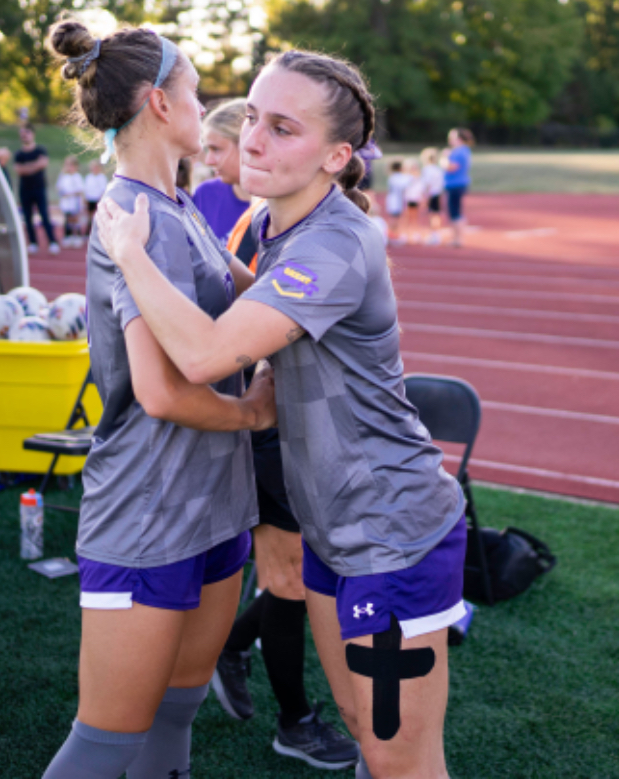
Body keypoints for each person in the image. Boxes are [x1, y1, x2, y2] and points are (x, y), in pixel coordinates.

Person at [96, 48, 467, 779]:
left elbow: (204, 357)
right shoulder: (280, 224)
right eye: (254, 118)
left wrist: (129, 254)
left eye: (283, 128)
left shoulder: (331, 243)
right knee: (368, 729)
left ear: (335, 156)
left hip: (390, 529)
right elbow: (244, 298)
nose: (255, 140)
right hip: (334, 528)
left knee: (399, 756)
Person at [41, 20, 276, 779]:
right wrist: (250, 412)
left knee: (177, 710)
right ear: (158, 103)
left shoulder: (179, 209)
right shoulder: (130, 219)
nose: (205, 108)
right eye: (196, 93)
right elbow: (160, 390)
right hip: (147, 512)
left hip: (215, 503)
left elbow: (262, 300)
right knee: (105, 741)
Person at [197, 97, 360, 770]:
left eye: (218, 150)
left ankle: (232, 648)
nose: (211, 165)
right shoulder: (253, 224)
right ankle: (293, 718)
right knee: (289, 577)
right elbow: (233, 339)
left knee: (296, 574)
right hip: (277, 425)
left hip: (303, 423)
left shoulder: (292, 224)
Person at [192, 99, 253, 246]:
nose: (209, 161)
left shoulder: (277, 204)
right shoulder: (206, 195)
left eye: (216, 149)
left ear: (247, 143)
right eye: (207, 150)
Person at [15, 125, 60, 255]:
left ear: (33, 134)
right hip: (25, 190)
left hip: (39, 188)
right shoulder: (19, 154)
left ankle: (52, 242)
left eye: (27, 132)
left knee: (44, 215)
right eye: (22, 133)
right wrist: (34, 166)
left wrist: (27, 167)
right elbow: (18, 169)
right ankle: (33, 243)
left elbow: (43, 163)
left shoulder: (40, 150)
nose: (24, 135)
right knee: (27, 217)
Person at [442, 128, 473, 248]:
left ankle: (458, 239)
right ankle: (457, 238)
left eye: (452, 137)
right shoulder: (464, 150)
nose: (449, 139)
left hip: (455, 184)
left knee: (454, 212)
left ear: (459, 139)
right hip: (457, 183)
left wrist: (444, 158)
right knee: (455, 211)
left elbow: (451, 167)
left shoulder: (458, 151)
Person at [56, 156, 87, 247]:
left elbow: (80, 190)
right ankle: (67, 236)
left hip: (75, 203)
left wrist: (71, 194)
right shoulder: (63, 177)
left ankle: (77, 236)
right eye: (67, 165)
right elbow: (59, 187)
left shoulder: (77, 177)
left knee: (75, 220)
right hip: (66, 203)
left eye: (71, 165)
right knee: (67, 219)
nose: (69, 167)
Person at [420, 147, 445, 245]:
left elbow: (427, 184)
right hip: (438, 193)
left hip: (431, 194)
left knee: (431, 215)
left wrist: (425, 196)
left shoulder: (426, 169)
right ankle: (436, 234)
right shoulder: (438, 169)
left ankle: (433, 235)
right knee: (436, 214)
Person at [384, 158, 410, 245]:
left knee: (396, 219)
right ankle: (391, 236)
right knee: (394, 219)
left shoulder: (393, 176)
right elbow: (404, 185)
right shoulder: (396, 177)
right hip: (395, 201)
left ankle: (393, 235)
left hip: (396, 200)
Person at [83, 158, 109, 234]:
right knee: (89, 216)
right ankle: (88, 231)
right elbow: (86, 189)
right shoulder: (88, 177)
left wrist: (101, 199)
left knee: (99, 216)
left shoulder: (102, 177)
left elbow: (103, 190)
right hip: (90, 199)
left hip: (98, 199)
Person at [402, 158, 425, 245]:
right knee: (406, 217)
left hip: (415, 199)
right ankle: (405, 234)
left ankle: (416, 233)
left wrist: (421, 198)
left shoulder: (418, 178)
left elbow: (421, 188)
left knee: (415, 217)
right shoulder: (405, 177)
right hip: (407, 199)